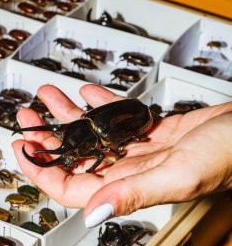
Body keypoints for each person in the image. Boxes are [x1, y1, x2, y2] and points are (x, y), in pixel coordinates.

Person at [12, 84, 232, 228]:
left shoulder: (102, 140)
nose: (64, 150)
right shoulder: (87, 120)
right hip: (120, 114)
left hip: (140, 121)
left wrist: (89, 169)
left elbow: (99, 157)